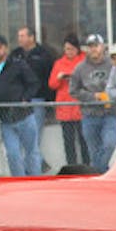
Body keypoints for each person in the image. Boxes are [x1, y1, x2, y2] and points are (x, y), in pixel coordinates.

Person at [0, 33, 40, 177]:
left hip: (24, 116)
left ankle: (36, 181)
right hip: (5, 119)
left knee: (32, 152)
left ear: (6, 48)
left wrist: (26, 98)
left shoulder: (18, 65)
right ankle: (19, 183)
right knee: (13, 153)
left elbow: (33, 83)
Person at [69, 34, 116, 173]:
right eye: (90, 47)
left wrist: (112, 96)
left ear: (103, 47)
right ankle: (101, 175)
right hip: (89, 115)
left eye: (96, 46)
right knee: (94, 151)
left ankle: (99, 172)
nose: (93, 49)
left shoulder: (112, 65)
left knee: (110, 144)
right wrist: (92, 96)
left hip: (109, 114)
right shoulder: (79, 68)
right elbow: (73, 91)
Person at [11, 26, 56, 170]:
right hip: (19, 101)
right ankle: (36, 165)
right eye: (19, 36)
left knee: (33, 135)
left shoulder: (43, 55)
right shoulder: (15, 55)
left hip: (37, 99)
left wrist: (50, 100)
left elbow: (49, 77)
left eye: (23, 36)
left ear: (31, 37)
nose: (20, 39)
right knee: (22, 135)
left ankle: (32, 168)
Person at [48, 34, 89, 167]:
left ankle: (87, 166)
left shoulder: (85, 61)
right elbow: (52, 84)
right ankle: (72, 166)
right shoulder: (59, 63)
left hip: (81, 107)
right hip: (65, 108)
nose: (69, 52)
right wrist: (60, 78)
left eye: (71, 49)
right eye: (66, 49)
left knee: (85, 140)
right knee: (69, 141)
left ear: (77, 49)